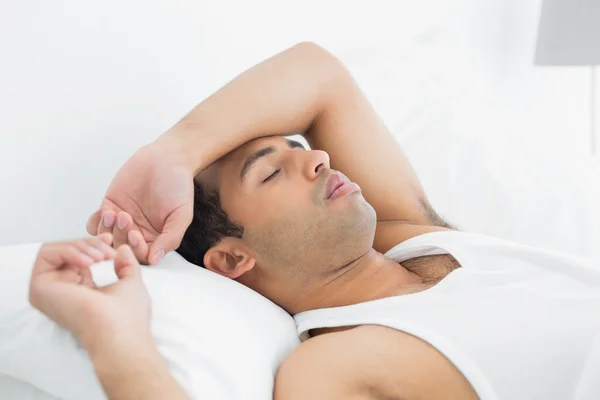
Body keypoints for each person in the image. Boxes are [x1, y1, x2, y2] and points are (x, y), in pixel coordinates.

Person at [31, 43, 600, 399]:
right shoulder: (335, 365)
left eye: (299, 147)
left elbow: (318, 74)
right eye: (271, 173)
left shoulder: (411, 240)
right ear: (231, 258)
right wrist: (114, 337)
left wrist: (172, 154)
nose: (319, 157)